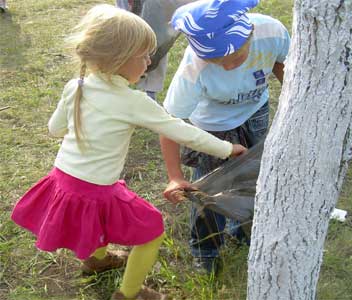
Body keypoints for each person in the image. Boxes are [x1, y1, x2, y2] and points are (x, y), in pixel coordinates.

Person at [10, 4, 246, 300]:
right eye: (144, 55)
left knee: (96, 219)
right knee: (152, 229)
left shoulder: (77, 85)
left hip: (64, 180)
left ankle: (96, 260)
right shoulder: (133, 101)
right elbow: (182, 131)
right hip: (95, 188)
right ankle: (130, 294)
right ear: (119, 59)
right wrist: (227, 147)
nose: (150, 61)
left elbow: (54, 129)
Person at [160, 0, 291, 274]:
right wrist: (174, 175)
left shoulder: (272, 32)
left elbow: (281, 64)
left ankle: (243, 228)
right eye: (217, 63)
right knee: (209, 190)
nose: (228, 68)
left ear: (249, 36)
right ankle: (206, 249)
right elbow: (170, 124)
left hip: (254, 112)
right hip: (210, 127)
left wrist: (292, 98)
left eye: (234, 58)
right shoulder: (193, 70)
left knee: (253, 175)